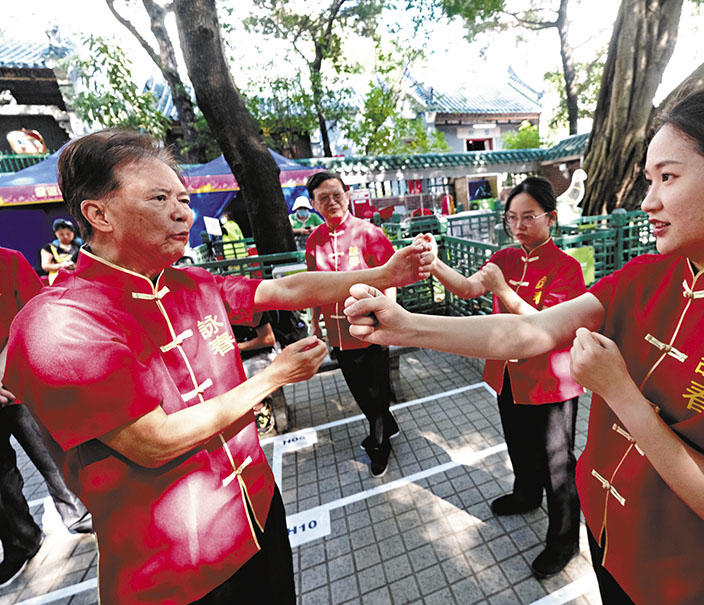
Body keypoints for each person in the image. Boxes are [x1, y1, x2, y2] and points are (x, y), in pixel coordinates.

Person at [343, 82, 704, 604]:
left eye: (668, 177)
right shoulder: (645, 276)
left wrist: (622, 393)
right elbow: (531, 330)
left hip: (698, 579)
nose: (647, 201)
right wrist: (404, 324)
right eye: (648, 179)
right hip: (611, 536)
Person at [5, 129, 432, 604]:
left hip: (254, 510)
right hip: (174, 564)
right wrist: (273, 377)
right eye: (160, 198)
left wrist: (384, 275)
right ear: (97, 213)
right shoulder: (59, 322)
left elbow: (282, 291)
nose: (183, 211)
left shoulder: (188, 282)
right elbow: (153, 442)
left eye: (183, 198)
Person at [424, 176, 585, 578]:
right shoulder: (505, 258)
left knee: (558, 464)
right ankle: (527, 495)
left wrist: (503, 288)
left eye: (528, 217)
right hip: (509, 375)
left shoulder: (567, 269)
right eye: (511, 218)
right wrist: (434, 261)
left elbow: (548, 327)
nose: (518, 226)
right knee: (517, 442)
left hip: (551, 381)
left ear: (551, 218)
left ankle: (564, 540)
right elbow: (465, 289)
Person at [0, 247, 92, 588]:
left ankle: (80, 512)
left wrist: (5, 365)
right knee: (0, 477)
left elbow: (35, 310)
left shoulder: (9, 260)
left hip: (20, 380)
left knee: (50, 452)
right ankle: (21, 541)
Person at [305, 171, 399, 477]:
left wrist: (391, 316)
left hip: (372, 329)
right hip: (337, 334)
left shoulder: (368, 232)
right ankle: (387, 425)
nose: (332, 202)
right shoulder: (314, 241)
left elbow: (392, 276)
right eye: (324, 198)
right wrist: (315, 324)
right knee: (359, 391)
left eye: (337, 195)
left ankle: (380, 445)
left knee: (376, 392)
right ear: (313, 203)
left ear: (347, 195)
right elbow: (314, 287)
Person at [40, 218, 81, 284]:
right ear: (56, 234)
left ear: (73, 233)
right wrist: (62, 265)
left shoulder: (80, 246)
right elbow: (45, 266)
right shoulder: (49, 248)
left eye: (68, 234)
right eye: (61, 234)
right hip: (59, 280)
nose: (65, 236)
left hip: (78, 278)